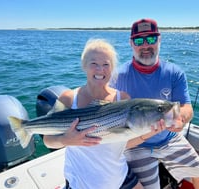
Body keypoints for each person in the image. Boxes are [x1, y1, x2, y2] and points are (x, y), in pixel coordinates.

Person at [110, 18, 199, 189]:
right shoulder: (117, 77)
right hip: (136, 144)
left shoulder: (174, 73)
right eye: (139, 40)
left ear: (159, 40)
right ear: (131, 43)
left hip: (169, 138)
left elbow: (186, 108)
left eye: (151, 39)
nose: (145, 45)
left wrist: (181, 119)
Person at [43, 38, 159, 189]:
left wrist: (150, 132)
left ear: (112, 68)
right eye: (94, 64)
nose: (100, 70)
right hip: (83, 181)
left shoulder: (122, 99)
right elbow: (47, 140)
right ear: (84, 66)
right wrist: (66, 140)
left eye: (106, 64)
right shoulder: (69, 98)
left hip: (119, 174)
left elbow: (124, 141)